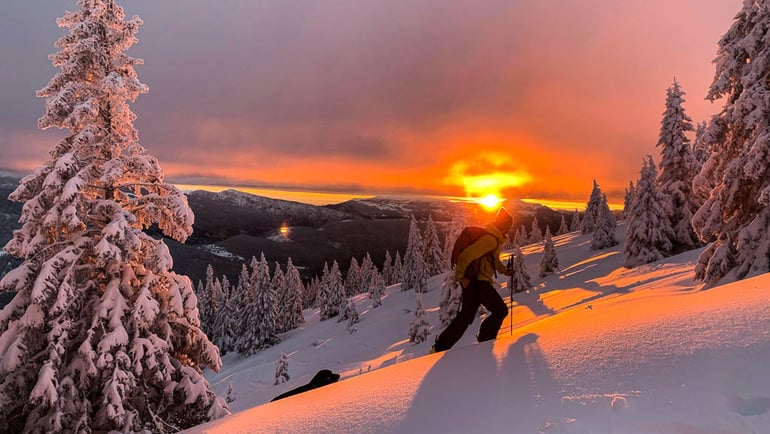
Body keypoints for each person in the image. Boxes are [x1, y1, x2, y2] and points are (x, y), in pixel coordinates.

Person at [431, 207, 514, 353]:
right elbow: (466, 256)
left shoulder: (493, 239)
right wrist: (461, 278)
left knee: (465, 318)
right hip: (479, 283)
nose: (508, 230)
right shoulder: (490, 240)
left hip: (475, 283)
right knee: (500, 310)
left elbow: (494, 260)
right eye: (508, 227)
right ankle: (485, 342)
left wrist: (506, 271)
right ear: (504, 226)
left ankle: (439, 348)